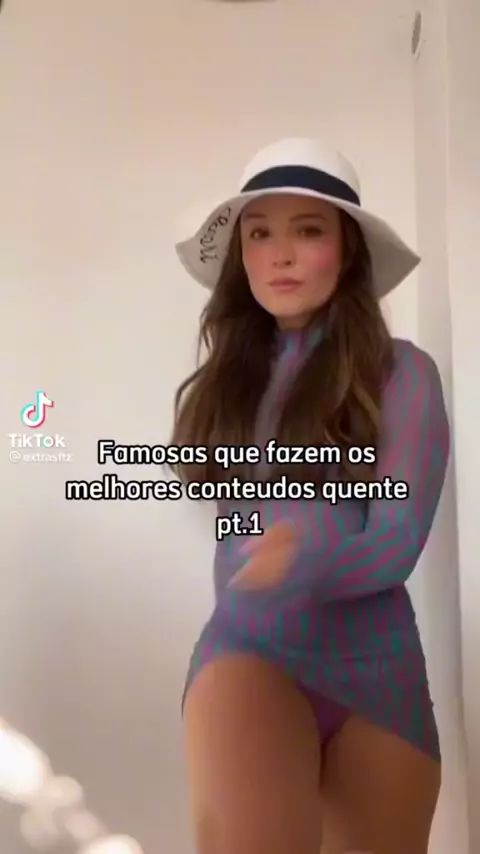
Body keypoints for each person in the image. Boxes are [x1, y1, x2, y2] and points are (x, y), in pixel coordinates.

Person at [170, 137, 450, 854]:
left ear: (348, 250)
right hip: (249, 655)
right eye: (260, 234)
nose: (281, 255)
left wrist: (301, 561)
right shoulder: (222, 391)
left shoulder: (404, 374)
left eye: (308, 230)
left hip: (381, 679)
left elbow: (396, 542)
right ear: (241, 257)